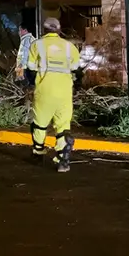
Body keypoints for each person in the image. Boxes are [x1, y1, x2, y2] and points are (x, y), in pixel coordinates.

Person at [27, 17, 81, 173]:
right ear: (58, 29)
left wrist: (32, 84)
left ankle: (38, 152)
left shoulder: (37, 45)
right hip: (64, 93)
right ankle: (63, 160)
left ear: (44, 30)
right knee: (63, 127)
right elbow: (77, 69)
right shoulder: (69, 46)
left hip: (44, 91)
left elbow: (30, 69)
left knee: (39, 124)